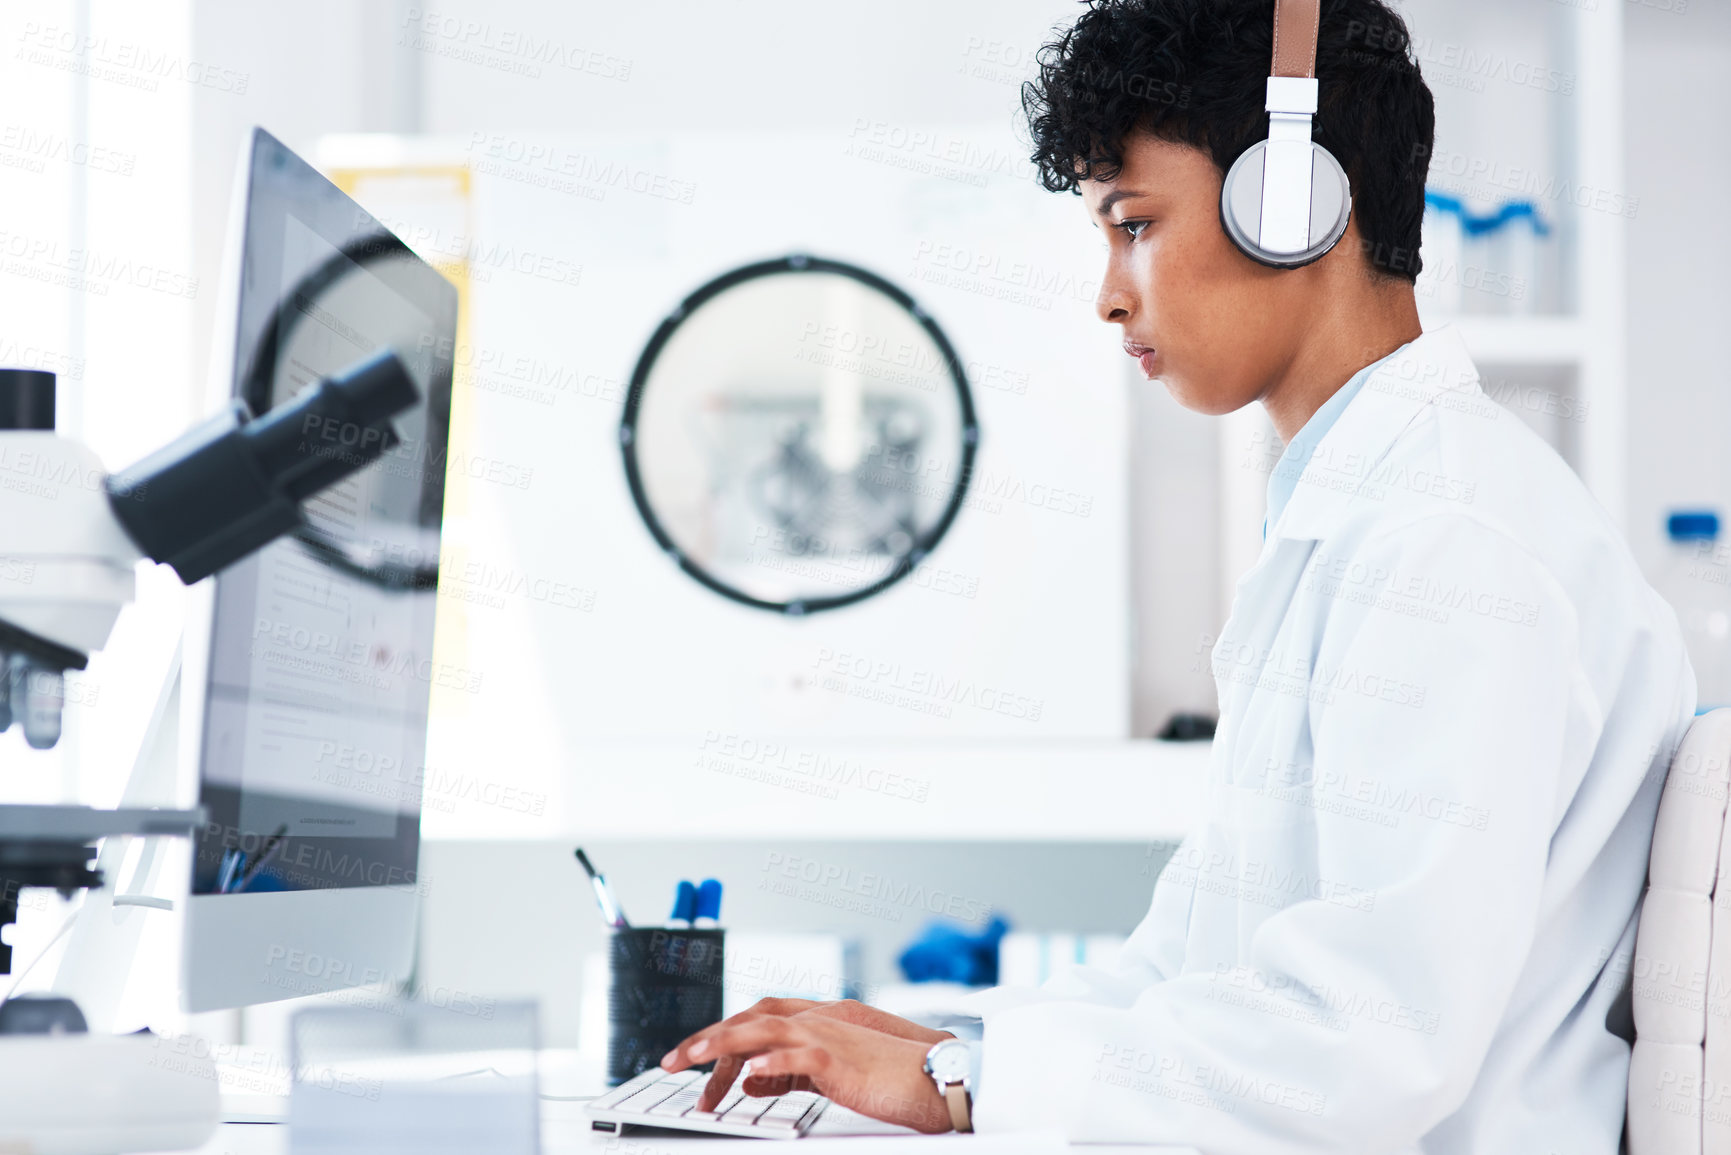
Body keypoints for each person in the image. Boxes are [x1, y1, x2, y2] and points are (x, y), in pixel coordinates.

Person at [660, 1, 1696, 1149]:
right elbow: (1186, 967)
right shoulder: (1363, 522)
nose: (1109, 292)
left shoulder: (1448, 546)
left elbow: (1364, 1046)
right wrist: (941, 1055)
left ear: (1293, 209)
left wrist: (964, 1085)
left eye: (1135, 225)